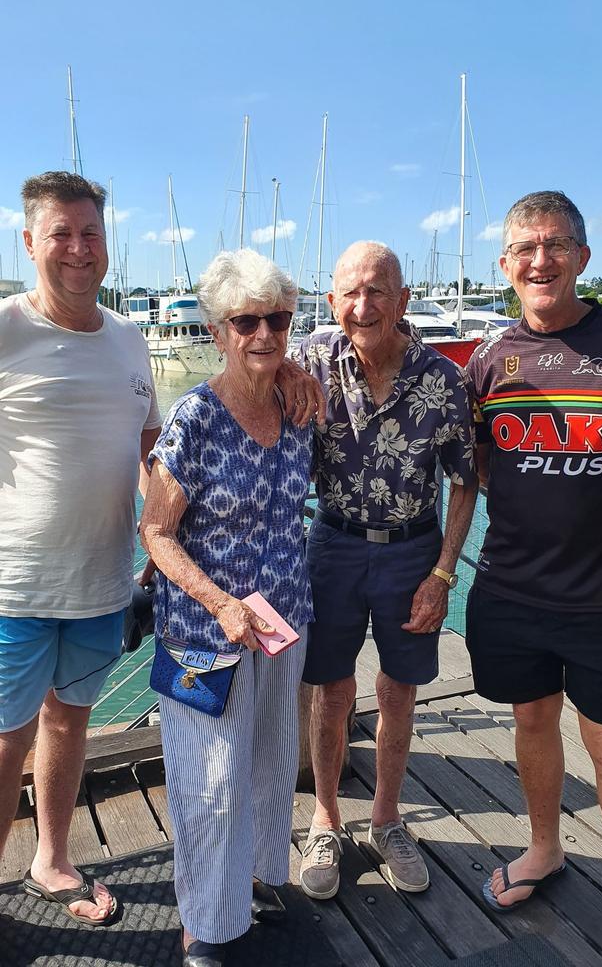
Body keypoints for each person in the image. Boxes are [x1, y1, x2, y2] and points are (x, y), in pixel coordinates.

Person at [465, 191, 602, 967]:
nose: (541, 260)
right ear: (505, 265)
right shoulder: (485, 360)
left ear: (582, 255)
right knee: (531, 724)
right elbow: (471, 471)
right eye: (525, 248)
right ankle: (545, 849)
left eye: (557, 244)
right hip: (510, 590)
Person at [284, 241, 478, 899]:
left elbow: (465, 484)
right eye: (350, 292)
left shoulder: (441, 379)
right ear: (332, 300)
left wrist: (445, 573)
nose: (363, 306)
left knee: (399, 691)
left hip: (411, 550)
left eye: (377, 292)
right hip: (333, 545)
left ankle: (388, 820)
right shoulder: (310, 361)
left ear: (402, 300)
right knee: (332, 691)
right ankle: (326, 818)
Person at [140, 249, 313, 967]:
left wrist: (294, 372)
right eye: (247, 321)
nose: (264, 334)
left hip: (283, 625)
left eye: (277, 318)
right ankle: (203, 927)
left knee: (270, 763)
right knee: (208, 783)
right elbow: (155, 532)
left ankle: (248, 881)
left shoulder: (299, 400)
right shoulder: (195, 419)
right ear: (217, 329)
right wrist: (217, 602)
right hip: (203, 636)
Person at [0, 171, 161, 925]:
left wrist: (163, 543)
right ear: (29, 241)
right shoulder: (6, 328)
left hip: (103, 582)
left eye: (90, 233)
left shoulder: (131, 338)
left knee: (70, 723)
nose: (77, 248)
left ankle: (53, 860)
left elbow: (151, 448)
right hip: (14, 587)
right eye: (60, 232)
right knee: (4, 743)